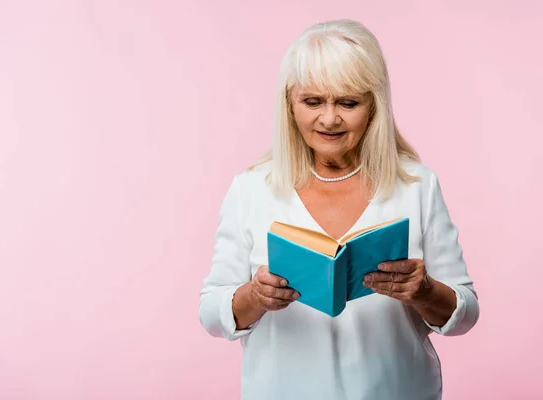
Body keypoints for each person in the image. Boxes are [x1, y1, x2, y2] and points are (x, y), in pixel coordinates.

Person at [198, 18, 479, 400]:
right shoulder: (251, 189)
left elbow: (466, 314)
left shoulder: (417, 185)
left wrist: (424, 291)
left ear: (374, 105)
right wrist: (254, 296)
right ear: (289, 104)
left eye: (348, 103)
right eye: (312, 101)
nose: (329, 119)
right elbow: (212, 313)